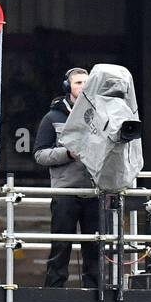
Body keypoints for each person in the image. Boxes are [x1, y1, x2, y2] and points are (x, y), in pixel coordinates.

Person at [33, 66, 101, 289]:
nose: (82, 87)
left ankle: (95, 292)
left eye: (86, 83)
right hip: (65, 192)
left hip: (94, 191)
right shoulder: (52, 117)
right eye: (78, 82)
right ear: (68, 87)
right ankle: (54, 292)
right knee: (61, 245)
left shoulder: (101, 116)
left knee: (95, 246)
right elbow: (40, 154)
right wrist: (68, 153)